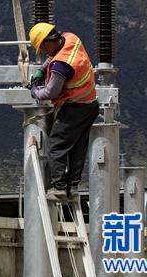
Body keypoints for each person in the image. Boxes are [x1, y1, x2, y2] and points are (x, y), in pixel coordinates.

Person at [28, 22, 98, 200]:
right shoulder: (71, 38)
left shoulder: (61, 66)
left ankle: (59, 187)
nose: (44, 53)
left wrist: (35, 91)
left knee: (56, 146)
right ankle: (72, 187)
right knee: (77, 147)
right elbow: (54, 57)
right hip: (90, 104)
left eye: (43, 49)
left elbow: (52, 91)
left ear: (46, 43)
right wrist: (42, 70)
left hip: (74, 107)